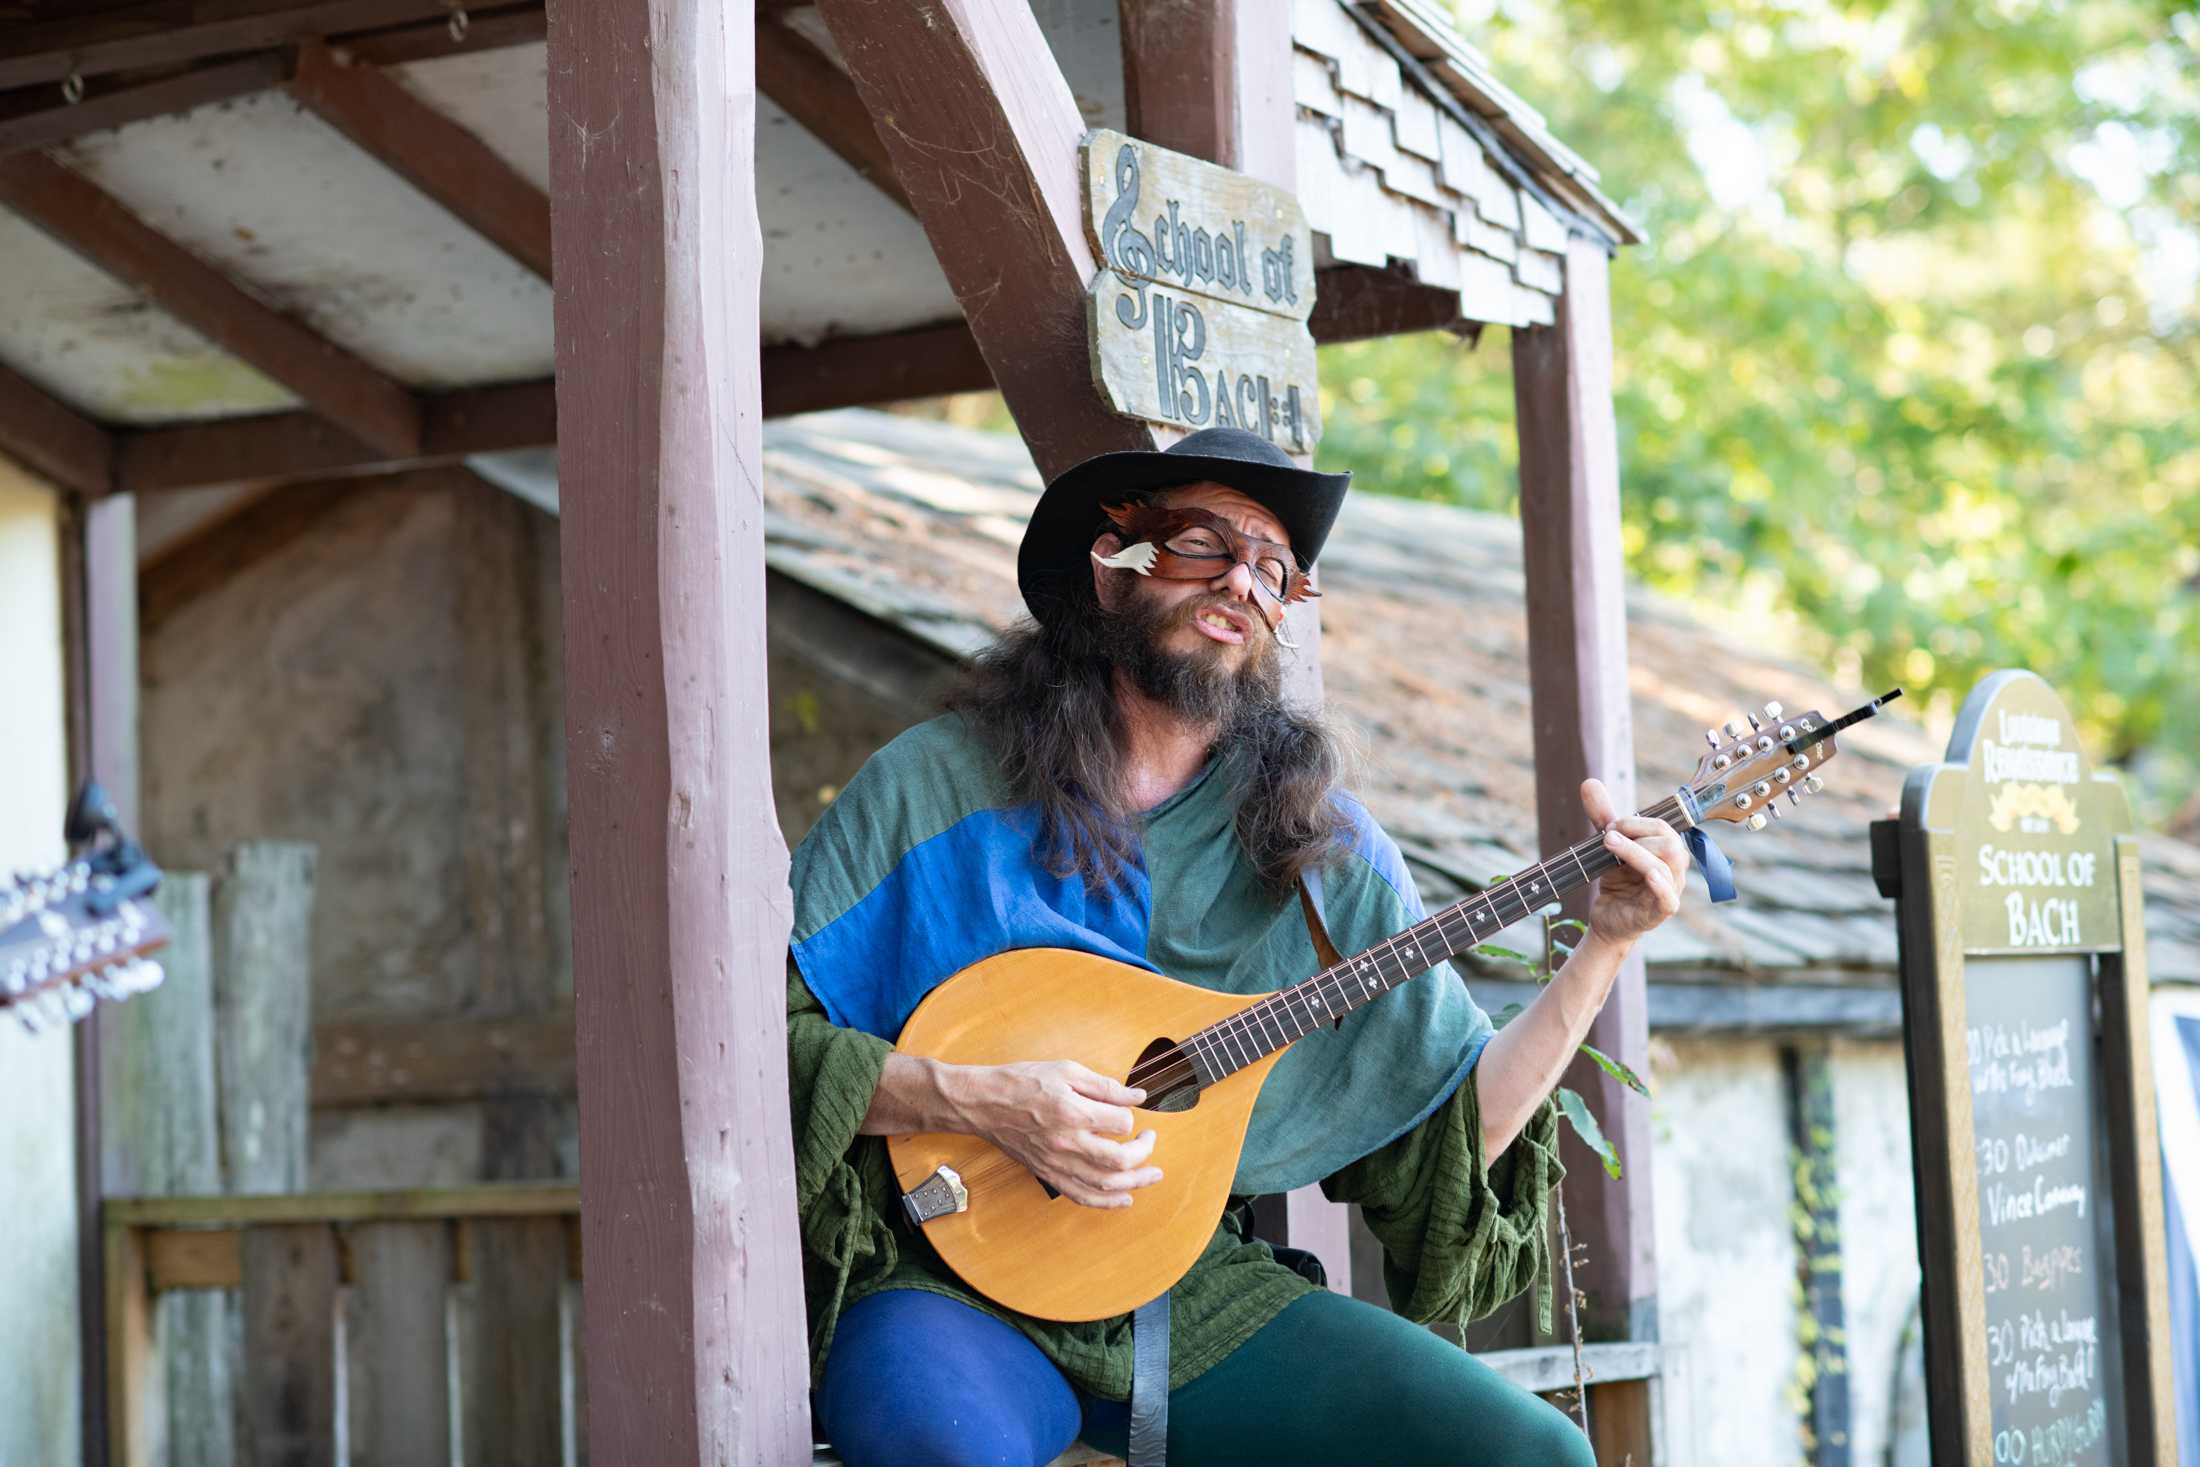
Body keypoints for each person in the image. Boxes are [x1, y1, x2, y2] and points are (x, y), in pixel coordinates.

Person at [785, 427, 1692, 1466]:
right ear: (1112, 561)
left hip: (1185, 1293)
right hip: (941, 1270)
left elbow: (1448, 1122)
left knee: (1530, 1455)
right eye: (1202, 545)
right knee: (940, 1445)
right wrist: (983, 1101)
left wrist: (1604, 950)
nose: (1241, 582)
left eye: (1272, 568)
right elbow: (763, 1057)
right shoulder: (931, 788)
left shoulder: (1318, 848)